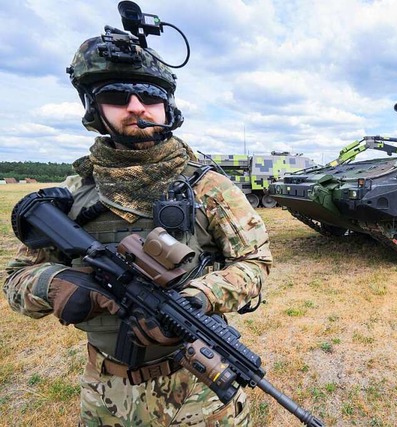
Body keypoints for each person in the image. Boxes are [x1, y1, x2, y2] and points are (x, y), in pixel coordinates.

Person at [3, 32, 272, 426]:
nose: (136, 107)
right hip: (105, 394)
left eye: (149, 97)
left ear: (167, 106)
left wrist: (198, 297)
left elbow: (256, 264)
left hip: (196, 392)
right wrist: (57, 284)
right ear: (95, 108)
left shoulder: (207, 185)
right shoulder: (75, 193)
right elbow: (16, 281)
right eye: (116, 97)